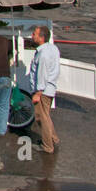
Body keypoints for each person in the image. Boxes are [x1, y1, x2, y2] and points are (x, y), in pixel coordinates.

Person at [28, 24, 61, 153]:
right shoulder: (53, 49)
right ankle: (53, 139)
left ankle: (47, 146)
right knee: (46, 116)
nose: (32, 36)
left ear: (41, 37)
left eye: (34, 34)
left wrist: (38, 92)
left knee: (41, 118)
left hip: (43, 91)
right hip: (50, 89)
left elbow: (42, 74)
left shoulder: (43, 55)